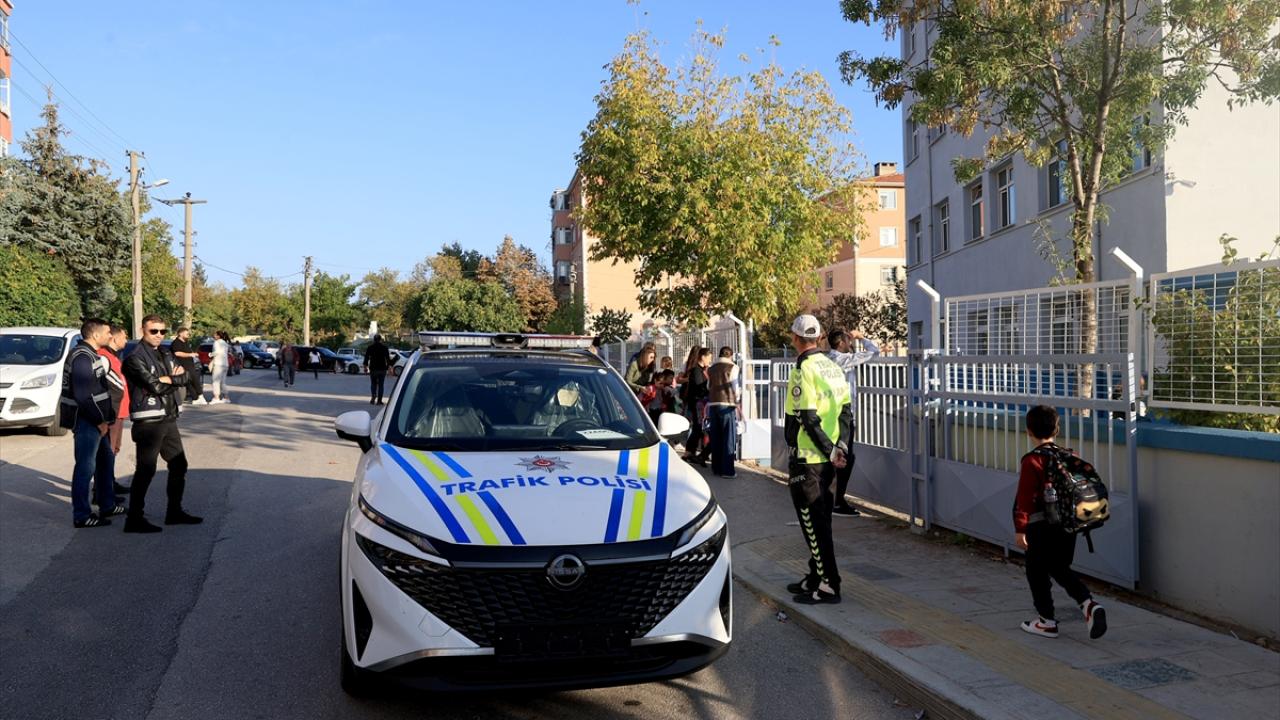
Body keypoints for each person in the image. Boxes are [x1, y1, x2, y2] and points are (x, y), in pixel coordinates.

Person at [1014, 405, 1107, 640]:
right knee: (1059, 567)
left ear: (1028, 431)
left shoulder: (1033, 461)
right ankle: (1088, 604)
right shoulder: (1068, 457)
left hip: (1040, 527)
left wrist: (1020, 529)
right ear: (1057, 429)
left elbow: (1024, 499)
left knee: (1036, 572)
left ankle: (1046, 621)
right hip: (1068, 525)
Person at [783, 314, 853, 605]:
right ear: (820, 337)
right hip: (829, 460)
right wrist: (840, 448)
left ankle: (829, 585)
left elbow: (806, 418)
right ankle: (816, 575)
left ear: (795, 338)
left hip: (809, 458)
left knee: (814, 524)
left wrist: (829, 450)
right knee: (821, 521)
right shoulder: (833, 367)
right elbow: (846, 412)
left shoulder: (803, 369)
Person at [123, 314, 202, 533]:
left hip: (168, 417)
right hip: (148, 420)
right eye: (153, 331)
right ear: (143, 330)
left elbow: (185, 376)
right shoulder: (134, 358)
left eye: (162, 331)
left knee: (179, 464)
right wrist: (169, 379)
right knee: (146, 470)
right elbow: (154, 387)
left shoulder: (166, 352)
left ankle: (174, 512)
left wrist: (168, 379)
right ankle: (134, 519)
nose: (159, 335)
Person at [60, 318, 123, 528]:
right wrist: (99, 421)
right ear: (95, 335)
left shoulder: (90, 354)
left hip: (97, 421)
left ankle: (107, 504)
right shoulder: (82, 357)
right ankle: (82, 515)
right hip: (88, 421)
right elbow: (84, 396)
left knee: (105, 461)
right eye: (107, 332)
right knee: (85, 468)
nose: (110, 336)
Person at [826, 329, 881, 516]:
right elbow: (874, 352)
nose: (850, 344)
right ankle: (837, 502)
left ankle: (830, 499)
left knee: (833, 457)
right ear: (841, 343)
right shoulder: (844, 360)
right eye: (848, 341)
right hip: (844, 416)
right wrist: (861, 337)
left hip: (830, 415)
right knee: (844, 459)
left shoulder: (826, 359)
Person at [97, 324, 132, 499]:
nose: (126, 340)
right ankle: (102, 492)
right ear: (115, 338)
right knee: (107, 452)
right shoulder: (103, 356)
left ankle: (109, 483)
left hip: (119, 412)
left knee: (113, 450)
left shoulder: (113, 356)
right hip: (112, 412)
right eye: (124, 336)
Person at [706, 346, 740, 478]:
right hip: (727, 405)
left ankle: (716, 468)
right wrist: (737, 400)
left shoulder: (711, 368)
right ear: (730, 355)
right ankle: (727, 471)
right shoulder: (733, 367)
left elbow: (708, 386)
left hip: (713, 404)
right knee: (728, 437)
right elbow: (735, 386)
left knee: (716, 437)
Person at [681, 347, 712, 466]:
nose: (710, 360)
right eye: (709, 358)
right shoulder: (696, 371)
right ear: (703, 357)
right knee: (697, 428)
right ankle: (689, 453)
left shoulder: (701, 370)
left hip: (699, 403)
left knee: (698, 428)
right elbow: (700, 387)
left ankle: (690, 453)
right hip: (697, 402)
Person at [170, 327, 205, 405]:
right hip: (183, 365)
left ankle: (196, 398)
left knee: (189, 381)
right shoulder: (176, 342)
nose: (188, 334)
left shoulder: (185, 342)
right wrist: (190, 354)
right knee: (192, 380)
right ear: (180, 333)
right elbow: (177, 353)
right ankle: (200, 396)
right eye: (186, 333)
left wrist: (193, 354)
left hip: (189, 364)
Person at [363, 335, 392, 405]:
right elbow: (388, 359)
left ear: (374, 340)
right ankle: (379, 400)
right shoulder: (384, 348)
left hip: (373, 368)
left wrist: (365, 367)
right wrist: (389, 368)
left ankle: (373, 397)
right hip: (382, 369)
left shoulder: (370, 347)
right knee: (381, 385)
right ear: (380, 340)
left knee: (373, 384)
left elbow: (366, 358)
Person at [209, 330, 231, 404]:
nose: (214, 336)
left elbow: (217, 352)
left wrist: (210, 354)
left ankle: (216, 398)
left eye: (215, 335)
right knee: (223, 382)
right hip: (225, 364)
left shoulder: (216, 342)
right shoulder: (225, 343)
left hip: (218, 364)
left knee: (215, 381)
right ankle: (226, 398)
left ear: (218, 336)